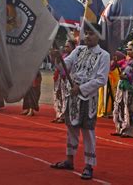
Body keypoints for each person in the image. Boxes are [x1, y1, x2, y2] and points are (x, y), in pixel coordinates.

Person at [50, 23, 110, 180]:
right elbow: (64, 68)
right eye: (86, 33)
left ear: (99, 36)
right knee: (71, 128)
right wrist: (56, 58)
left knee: (88, 131)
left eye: (92, 34)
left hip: (88, 98)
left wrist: (82, 88)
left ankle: (89, 165)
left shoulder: (104, 55)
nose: (88, 36)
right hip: (74, 97)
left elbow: (101, 80)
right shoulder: (78, 50)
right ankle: (69, 160)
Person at [112, 39, 133, 138]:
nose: (128, 51)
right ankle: (120, 128)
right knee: (119, 106)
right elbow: (114, 66)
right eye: (127, 49)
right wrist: (114, 60)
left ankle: (129, 131)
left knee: (128, 108)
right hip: (121, 87)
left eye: (130, 49)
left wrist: (126, 77)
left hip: (129, 88)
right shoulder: (125, 61)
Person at [51, 39, 76, 123]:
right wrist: (55, 57)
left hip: (67, 80)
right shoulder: (63, 55)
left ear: (73, 48)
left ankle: (64, 116)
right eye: (65, 46)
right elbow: (57, 65)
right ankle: (58, 114)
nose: (66, 48)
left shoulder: (73, 57)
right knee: (57, 96)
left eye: (68, 46)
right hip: (59, 78)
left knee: (65, 97)